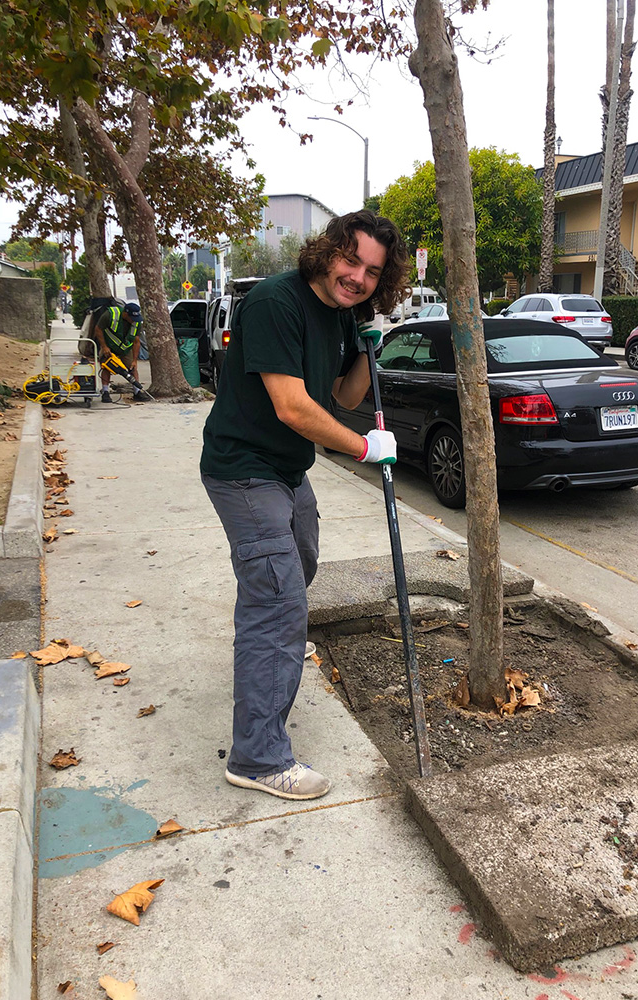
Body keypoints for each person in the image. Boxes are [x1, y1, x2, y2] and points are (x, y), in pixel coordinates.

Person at [200, 210, 411, 801]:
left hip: (288, 473)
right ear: (327, 251)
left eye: (372, 272)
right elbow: (293, 407)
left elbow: (340, 396)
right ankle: (258, 758)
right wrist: (367, 446)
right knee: (278, 599)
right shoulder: (275, 302)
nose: (358, 278)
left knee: (300, 566)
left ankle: (269, 649)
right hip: (244, 470)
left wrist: (368, 353)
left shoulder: (343, 317)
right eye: (351, 261)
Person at [93, 301, 146, 402]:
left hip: (125, 349)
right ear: (125, 314)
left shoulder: (137, 322)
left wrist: (135, 360)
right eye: (131, 318)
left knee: (132, 368)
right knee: (106, 366)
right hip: (109, 346)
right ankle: (105, 391)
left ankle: (137, 391)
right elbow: (98, 329)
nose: (133, 321)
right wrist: (104, 347)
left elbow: (136, 341)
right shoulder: (110, 315)